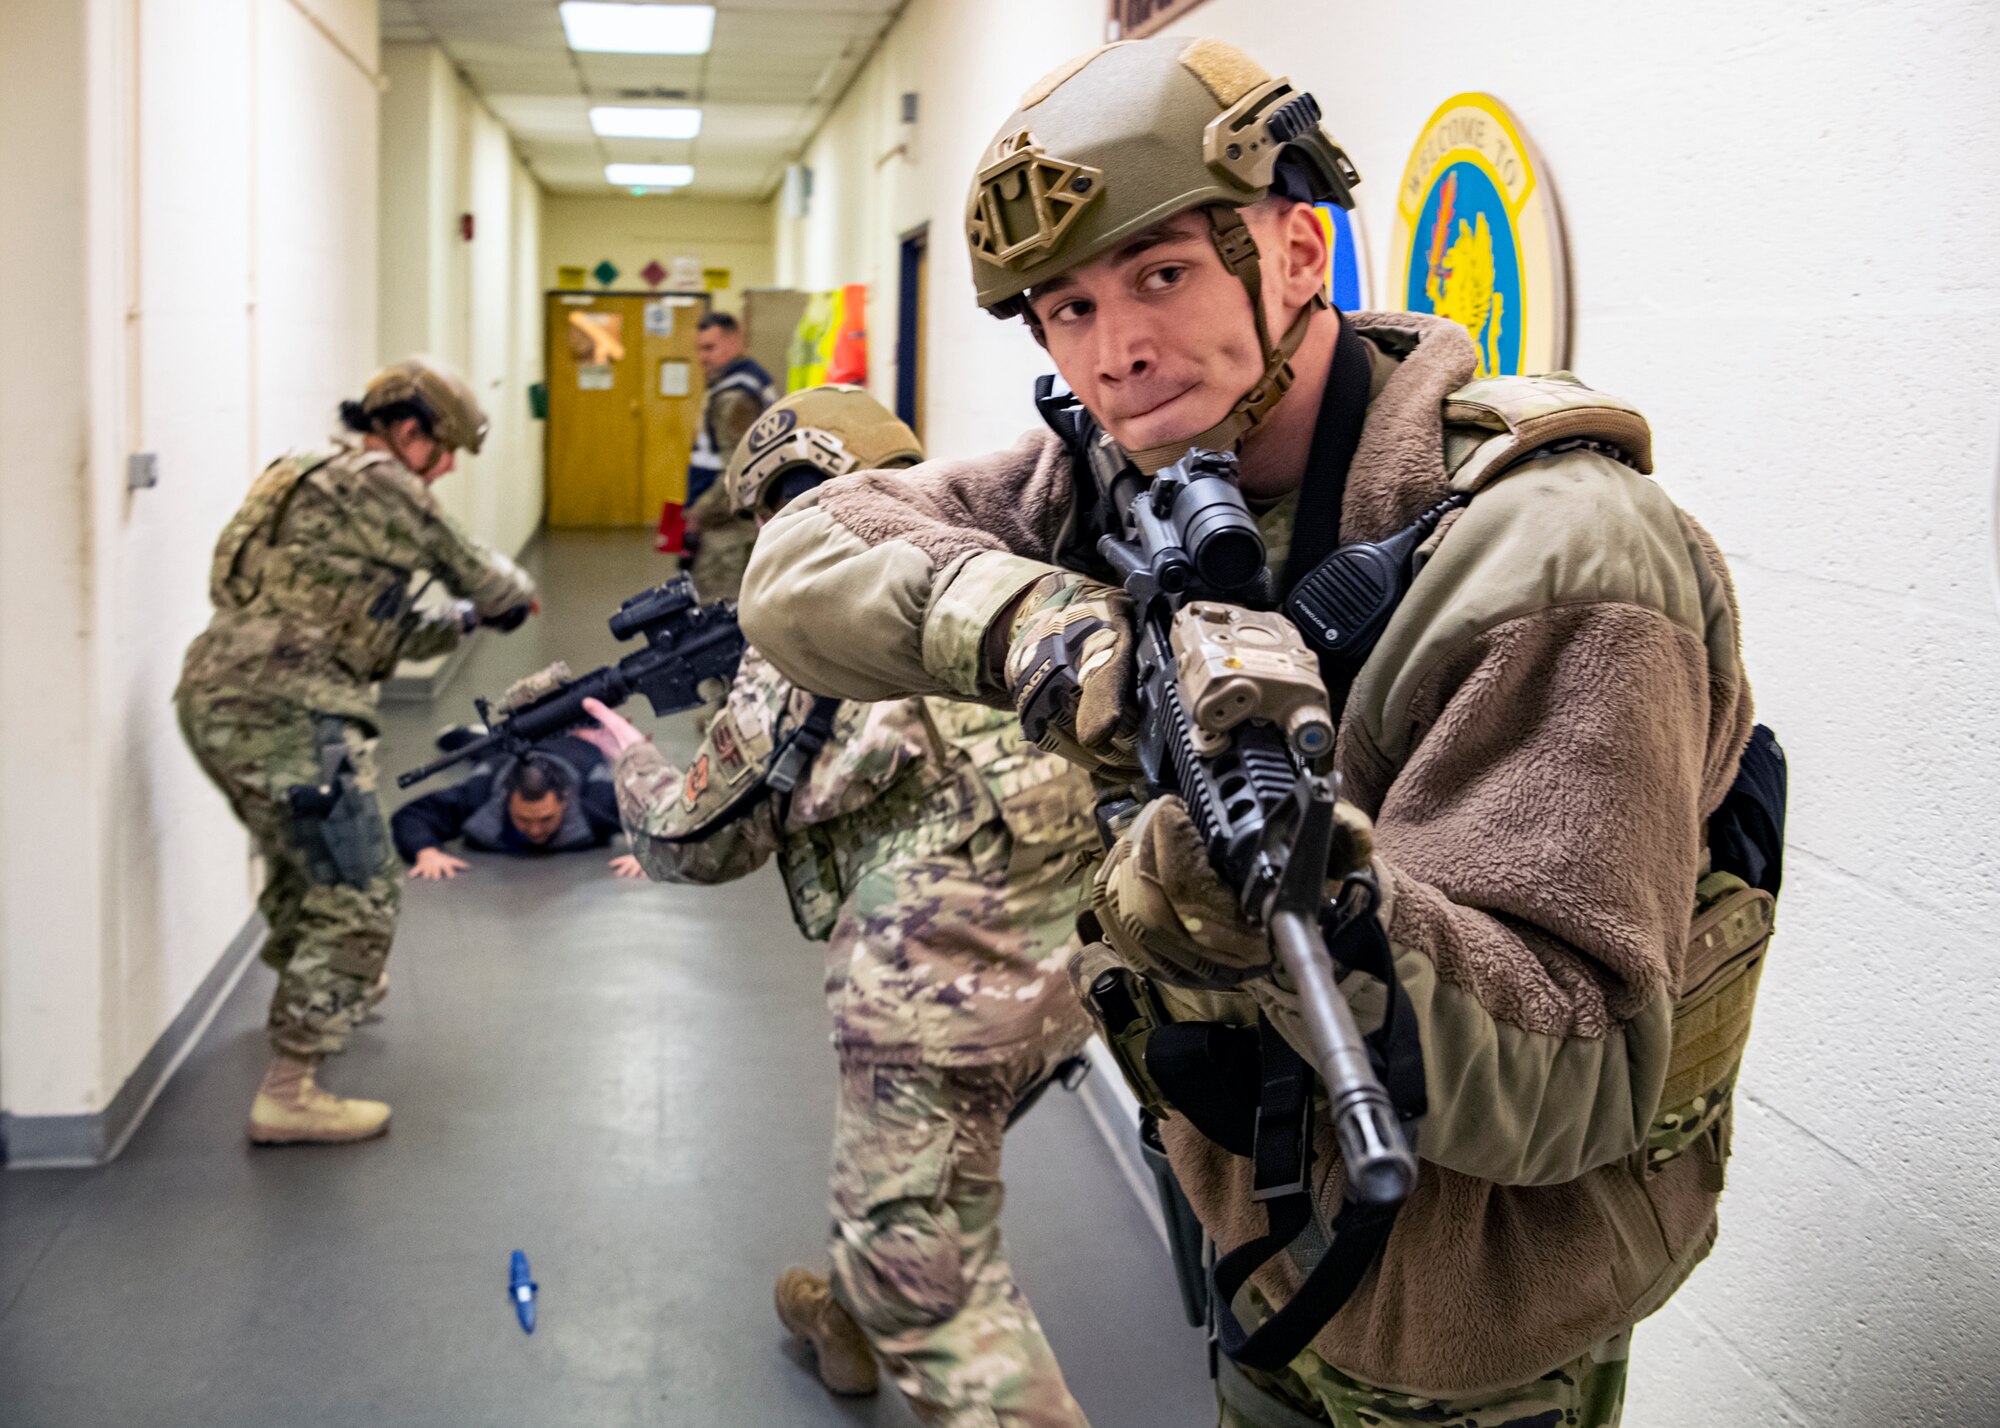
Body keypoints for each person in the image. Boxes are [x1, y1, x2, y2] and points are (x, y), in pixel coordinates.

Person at [736, 37, 1773, 1428]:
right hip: (1257, 1244)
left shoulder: (1557, 556)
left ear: (1296, 251)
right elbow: (802, 565)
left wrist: (1313, 924)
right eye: (1066, 310)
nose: (1117, 353)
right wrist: (1061, 638)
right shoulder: (1116, 474)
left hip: (1466, 1329)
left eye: (1161, 274)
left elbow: (1577, 1075)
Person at [587, 384, 1102, 1428]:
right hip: (1086, 966)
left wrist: (633, 764)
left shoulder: (807, 619)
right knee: (916, 1161)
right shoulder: (1001, 557)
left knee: (926, 1278)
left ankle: (878, 1300)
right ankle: (842, 1321)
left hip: (941, 988)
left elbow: (701, 839)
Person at [177, 356, 537, 1146]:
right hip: (297, 714)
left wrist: (465, 624)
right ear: (407, 430)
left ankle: (331, 986)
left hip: (217, 698)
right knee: (363, 885)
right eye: (442, 453)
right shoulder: (383, 485)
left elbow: (375, 628)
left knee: (306, 862)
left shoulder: (305, 478)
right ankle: (290, 1087)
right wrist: (507, 601)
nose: (442, 472)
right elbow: (491, 577)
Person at [391, 721, 642, 881]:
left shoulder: (598, 800)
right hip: (503, 755)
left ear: (564, 801)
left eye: (546, 819)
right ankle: (474, 733)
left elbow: (658, 814)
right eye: (523, 819)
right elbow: (414, 814)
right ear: (507, 800)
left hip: (573, 748)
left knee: (580, 735)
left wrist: (650, 852)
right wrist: (425, 850)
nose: (535, 830)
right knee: (484, 745)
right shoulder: (479, 795)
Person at [682, 311, 778, 602]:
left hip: (729, 536)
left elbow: (738, 471)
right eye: (699, 348)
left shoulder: (734, 397)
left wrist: (697, 514)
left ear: (734, 341)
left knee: (720, 617)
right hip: (734, 527)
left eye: (710, 348)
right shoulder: (750, 379)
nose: (702, 357)